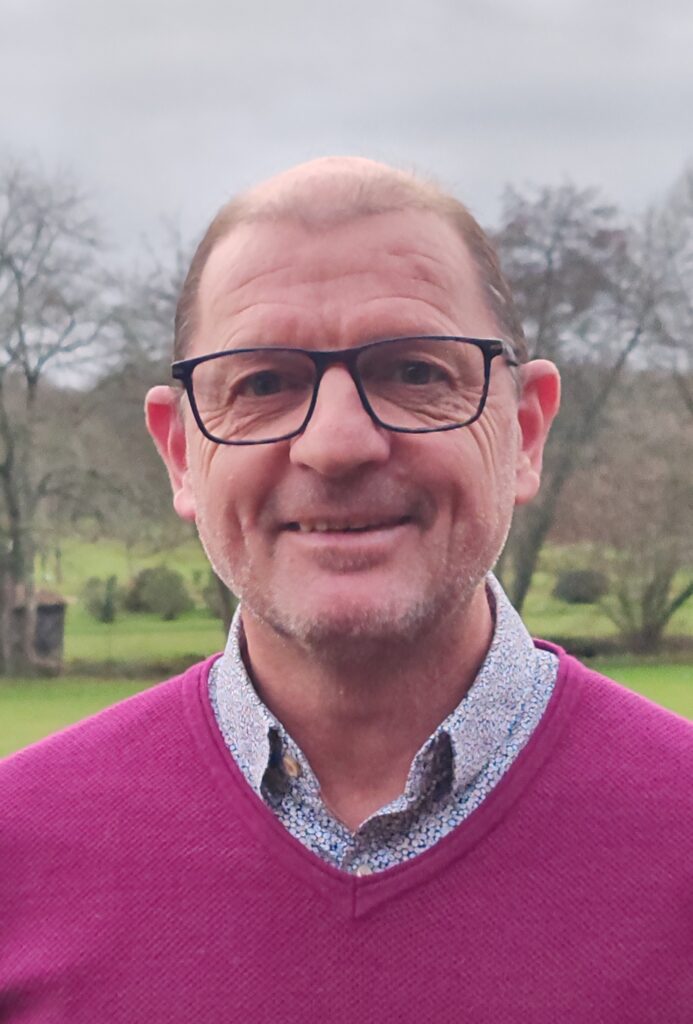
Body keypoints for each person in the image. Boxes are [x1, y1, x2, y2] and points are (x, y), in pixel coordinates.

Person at [1, 158, 691, 1023]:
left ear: (523, 431)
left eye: (414, 372)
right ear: (180, 454)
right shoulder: (17, 854)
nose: (335, 445)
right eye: (262, 383)